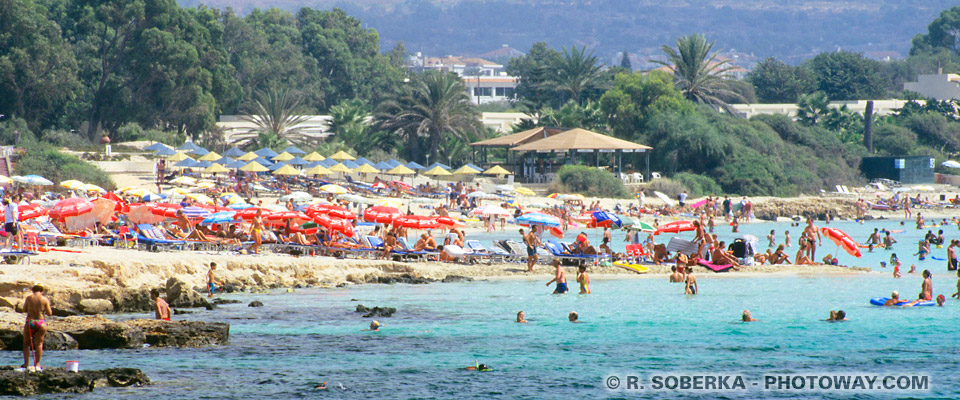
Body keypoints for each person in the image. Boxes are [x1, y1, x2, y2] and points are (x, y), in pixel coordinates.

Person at [21, 284, 52, 372]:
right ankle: (37, 364)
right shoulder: (45, 299)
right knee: (39, 344)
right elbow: (49, 313)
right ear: (42, 291)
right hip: (40, 322)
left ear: (33, 290)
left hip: (30, 322)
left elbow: (24, 309)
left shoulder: (29, 298)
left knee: (26, 344)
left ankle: (26, 364)